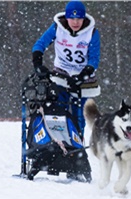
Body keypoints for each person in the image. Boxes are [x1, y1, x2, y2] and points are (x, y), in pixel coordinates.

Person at [31, 0, 101, 137]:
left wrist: (82, 76)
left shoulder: (92, 33)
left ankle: (77, 146)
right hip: (61, 74)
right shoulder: (57, 28)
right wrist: (38, 64)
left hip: (83, 77)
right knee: (58, 110)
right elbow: (39, 45)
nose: (75, 22)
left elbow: (94, 60)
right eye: (72, 18)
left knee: (78, 116)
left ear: (84, 18)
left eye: (79, 18)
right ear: (66, 17)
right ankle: (59, 144)